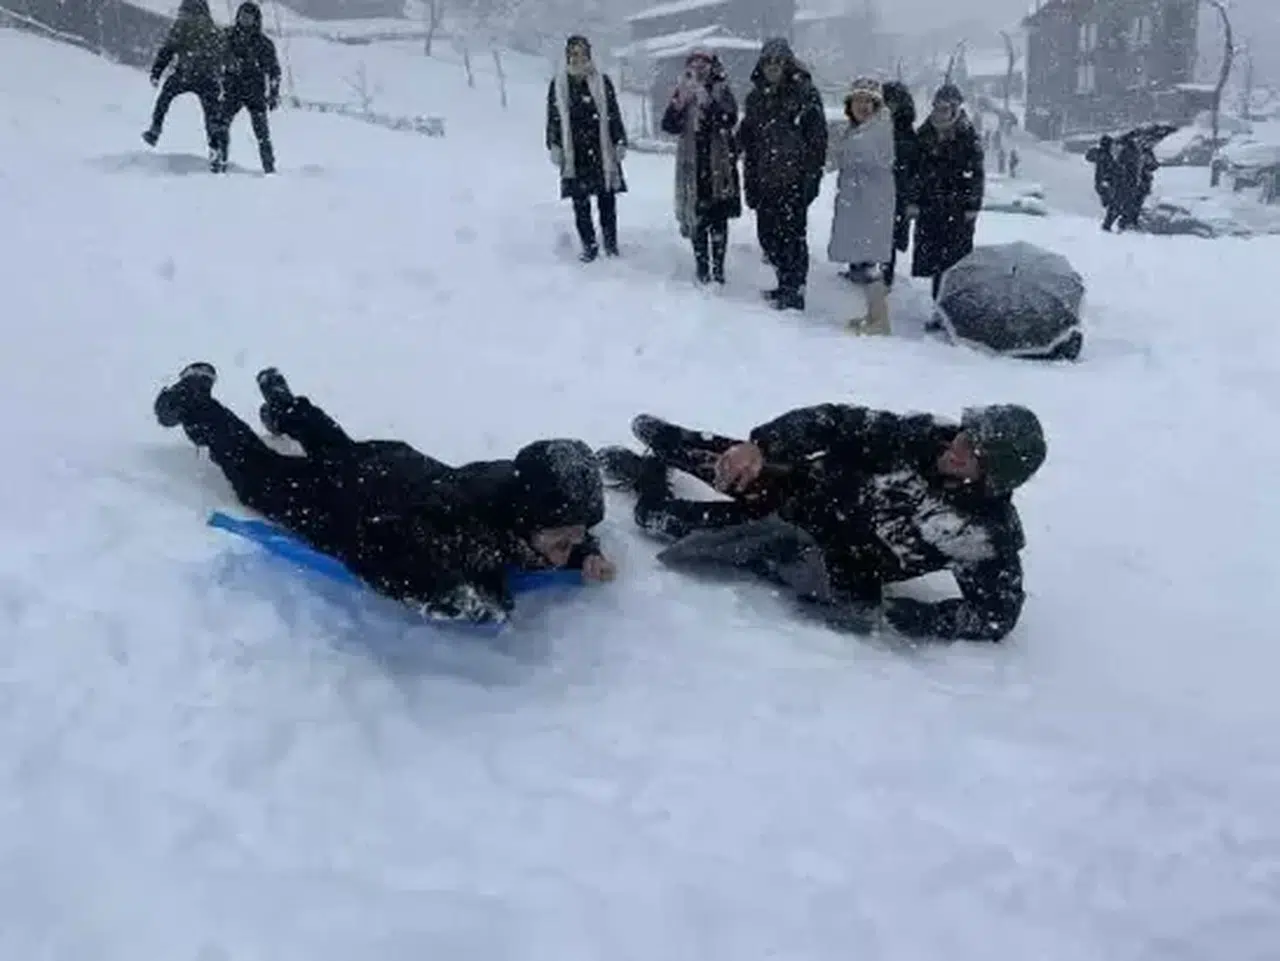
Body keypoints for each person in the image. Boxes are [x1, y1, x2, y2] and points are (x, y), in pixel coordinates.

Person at [153, 362, 615, 623]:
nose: (566, 551)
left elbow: (553, 521)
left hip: (390, 465)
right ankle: (195, 401)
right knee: (257, 475)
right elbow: (380, 550)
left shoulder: (512, 484)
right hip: (350, 501)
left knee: (341, 450)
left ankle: (286, 407)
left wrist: (583, 552)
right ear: (523, 521)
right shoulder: (461, 531)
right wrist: (452, 595)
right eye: (561, 543)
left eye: (574, 539)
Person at [598, 403, 1046, 642]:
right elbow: (833, 421)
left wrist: (914, 617)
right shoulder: (921, 434)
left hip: (801, 550)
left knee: (657, 519)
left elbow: (994, 617)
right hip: (793, 485)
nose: (958, 446)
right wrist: (762, 446)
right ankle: (672, 449)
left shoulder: (986, 533)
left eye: (974, 451)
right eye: (966, 434)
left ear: (993, 476)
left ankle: (648, 478)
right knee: (673, 439)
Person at [735, 37, 828, 311]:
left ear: (787, 64)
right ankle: (783, 282)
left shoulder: (805, 93)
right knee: (768, 237)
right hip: (764, 180)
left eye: (778, 61)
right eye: (768, 61)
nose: (773, 66)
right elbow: (748, 135)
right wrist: (733, 145)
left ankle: (794, 290)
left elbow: (818, 140)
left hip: (794, 180)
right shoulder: (755, 98)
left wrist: (812, 178)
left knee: (793, 239)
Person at [660, 49, 742, 285]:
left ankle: (718, 269)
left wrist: (708, 101)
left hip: (718, 164)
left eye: (703, 63)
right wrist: (678, 104)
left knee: (718, 218)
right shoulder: (683, 90)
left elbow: (729, 119)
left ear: (712, 66)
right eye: (694, 63)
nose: (698, 68)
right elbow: (669, 126)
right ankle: (702, 267)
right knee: (697, 218)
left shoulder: (722, 89)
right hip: (692, 165)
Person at [546, 35, 628, 262]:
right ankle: (589, 246)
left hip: (601, 150)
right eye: (573, 52)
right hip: (576, 151)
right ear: (567, 55)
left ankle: (611, 245)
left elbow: (613, 113)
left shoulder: (602, 81)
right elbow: (553, 118)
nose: (577, 57)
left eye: (581, 52)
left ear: (589, 54)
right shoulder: (560, 83)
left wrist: (620, 140)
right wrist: (554, 144)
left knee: (607, 200)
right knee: (580, 203)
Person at [827, 77, 896, 335]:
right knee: (867, 261)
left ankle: (880, 321)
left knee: (873, 264)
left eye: (869, 101)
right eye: (858, 101)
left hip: (872, 204)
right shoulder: (858, 130)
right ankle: (872, 315)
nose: (863, 106)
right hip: (860, 203)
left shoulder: (879, 130)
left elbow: (858, 155)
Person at [910, 84, 984, 301]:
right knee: (935, 262)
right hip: (930, 206)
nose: (940, 111)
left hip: (958, 208)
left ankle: (952, 305)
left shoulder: (968, 136)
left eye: (945, 107)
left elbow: (976, 174)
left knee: (955, 261)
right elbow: (915, 171)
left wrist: (972, 205)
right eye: (937, 106)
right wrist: (913, 201)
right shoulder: (925, 133)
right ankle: (938, 305)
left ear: (956, 108)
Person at [142, 0, 226, 167]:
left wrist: (157, 72)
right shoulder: (214, 30)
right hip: (207, 78)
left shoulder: (182, 26)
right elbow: (222, 56)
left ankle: (155, 130)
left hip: (185, 74)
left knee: (164, 98)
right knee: (212, 116)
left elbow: (168, 50)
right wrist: (221, 79)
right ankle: (215, 150)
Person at [213, 1, 281, 174]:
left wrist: (273, 94)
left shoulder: (264, 43)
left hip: (255, 92)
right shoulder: (227, 37)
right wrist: (225, 66)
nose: (245, 19)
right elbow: (215, 58)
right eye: (242, 15)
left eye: (249, 16)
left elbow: (274, 71)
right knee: (220, 126)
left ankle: (269, 169)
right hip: (232, 90)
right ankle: (219, 163)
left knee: (262, 134)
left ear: (256, 19)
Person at [879, 80, 919, 291]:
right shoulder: (874, 126)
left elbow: (913, 170)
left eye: (892, 102)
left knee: (889, 238)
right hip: (876, 189)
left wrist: (910, 198)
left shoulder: (907, 134)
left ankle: (886, 276)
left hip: (896, 192)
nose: (889, 106)